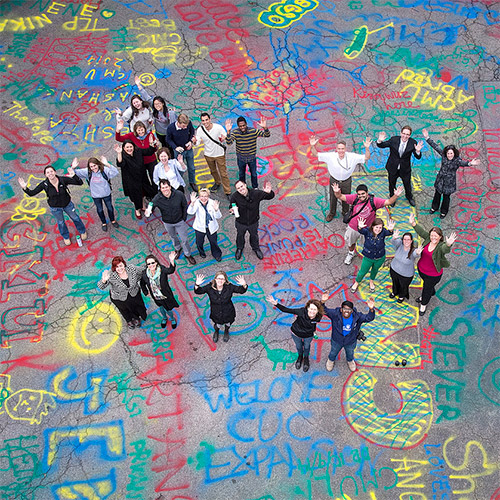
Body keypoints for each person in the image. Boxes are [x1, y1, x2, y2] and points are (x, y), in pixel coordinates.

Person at [333, 182, 403, 265]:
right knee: (351, 243)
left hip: (367, 229)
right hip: (353, 227)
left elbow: (388, 202)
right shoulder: (354, 198)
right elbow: (340, 196)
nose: (361, 196)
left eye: (363, 194)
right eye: (359, 194)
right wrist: (337, 191)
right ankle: (350, 253)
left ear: (367, 193)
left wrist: (396, 195)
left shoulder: (374, 201)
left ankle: (367, 257)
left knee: (368, 245)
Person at [18, 165, 87, 246]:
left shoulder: (62, 180)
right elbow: (32, 193)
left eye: (51, 171)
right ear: (45, 175)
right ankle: (66, 237)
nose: (50, 173)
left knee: (75, 218)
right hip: (55, 208)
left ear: (55, 172)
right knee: (61, 222)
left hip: (67, 204)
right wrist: (25, 188)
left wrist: (74, 176)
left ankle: (82, 231)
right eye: (48, 172)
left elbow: (80, 183)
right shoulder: (44, 184)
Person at [310, 135, 371, 221]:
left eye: (342, 149)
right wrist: (312, 145)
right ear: (336, 149)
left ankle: (345, 212)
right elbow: (316, 154)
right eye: (339, 149)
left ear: (345, 149)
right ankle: (332, 213)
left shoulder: (352, 157)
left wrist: (367, 148)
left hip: (346, 180)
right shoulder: (331, 156)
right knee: (333, 197)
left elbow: (366, 157)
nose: (341, 151)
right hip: (334, 180)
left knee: (346, 198)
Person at [422, 128, 481, 218]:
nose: (450, 155)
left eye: (451, 153)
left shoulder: (457, 160)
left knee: (446, 198)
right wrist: (427, 138)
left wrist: (470, 163)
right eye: (448, 153)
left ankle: (443, 211)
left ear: (454, 153)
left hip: (449, 183)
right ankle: (434, 207)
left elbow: (464, 163)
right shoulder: (444, 155)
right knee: (437, 194)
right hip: (440, 180)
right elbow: (435, 146)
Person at [409, 213, 457, 315]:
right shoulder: (427, 239)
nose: (433, 238)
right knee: (428, 286)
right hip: (422, 270)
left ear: (440, 237)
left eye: (436, 236)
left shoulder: (441, 246)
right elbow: (421, 231)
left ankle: (423, 304)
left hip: (433, 275)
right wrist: (413, 224)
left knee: (426, 290)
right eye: (431, 235)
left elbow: (445, 249)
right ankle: (432, 290)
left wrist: (448, 244)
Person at [145, 179, 196, 265]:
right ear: (160, 189)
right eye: (163, 188)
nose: (165, 189)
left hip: (179, 221)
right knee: (173, 237)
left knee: (184, 239)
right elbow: (151, 207)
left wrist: (183, 218)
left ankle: (188, 254)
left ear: (170, 186)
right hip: (167, 222)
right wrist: (148, 211)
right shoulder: (157, 198)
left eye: (166, 187)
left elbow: (184, 206)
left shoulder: (179, 195)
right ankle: (178, 249)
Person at [266, 296, 324, 372]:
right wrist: (276, 304)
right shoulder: (301, 312)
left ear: (317, 311)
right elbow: (286, 310)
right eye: (311, 308)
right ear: (307, 308)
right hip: (296, 333)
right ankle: (300, 357)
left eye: (314, 309)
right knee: (299, 346)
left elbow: (314, 322)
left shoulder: (318, 317)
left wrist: (323, 301)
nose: (312, 311)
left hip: (308, 335)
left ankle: (306, 358)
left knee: (307, 347)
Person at [321, 295, 375, 373]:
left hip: (350, 341)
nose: (346, 311)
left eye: (349, 309)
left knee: (350, 353)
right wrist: (322, 301)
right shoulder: (335, 314)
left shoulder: (357, 317)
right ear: (341, 309)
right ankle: (331, 360)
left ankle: (350, 361)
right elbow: (324, 310)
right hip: (337, 340)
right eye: (344, 309)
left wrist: (371, 309)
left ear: (352, 311)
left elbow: (369, 318)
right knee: (333, 352)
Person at [194, 272, 248, 343]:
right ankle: (216, 332)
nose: (220, 280)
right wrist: (197, 284)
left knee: (228, 323)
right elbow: (198, 291)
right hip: (216, 312)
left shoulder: (229, 287)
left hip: (228, 311)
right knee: (217, 325)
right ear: (215, 279)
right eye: (219, 278)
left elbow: (241, 290)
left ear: (225, 280)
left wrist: (244, 284)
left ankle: (226, 331)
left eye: (222, 279)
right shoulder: (209, 287)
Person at [376, 126, 423, 206]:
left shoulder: (412, 143)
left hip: (405, 169)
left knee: (407, 184)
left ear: (410, 135)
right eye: (404, 133)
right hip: (393, 167)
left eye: (407, 134)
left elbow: (417, 157)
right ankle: (392, 198)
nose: (405, 136)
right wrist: (379, 141)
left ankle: (409, 197)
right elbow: (382, 145)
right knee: (392, 184)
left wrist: (418, 151)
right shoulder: (394, 139)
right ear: (401, 133)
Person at [229, 180, 275, 260]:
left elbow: (270, 197)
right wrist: (231, 211)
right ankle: (239, 248)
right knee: (240, 236)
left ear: (245, 185)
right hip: (241, 222)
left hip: (253, 221)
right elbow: (231, 207)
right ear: (237, 190)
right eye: (238, 188)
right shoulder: (234, 196)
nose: (241, 189)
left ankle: (256, 248)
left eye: (242, 186)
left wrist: (269, 192)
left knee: (254, 236)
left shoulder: (255, 193)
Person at [98, 256, 147, 329]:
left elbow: (143, 270)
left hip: (134, 293)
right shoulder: (111, 274)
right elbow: (101, 286)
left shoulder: (132, 269)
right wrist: (104, 280)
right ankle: (129, 320)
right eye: (117, 267)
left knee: (135, 307)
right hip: (119, 297)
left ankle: (136, 318)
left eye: (121, 266)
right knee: (124, 310)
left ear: (124, 264)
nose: (119, 268)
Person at [73, 156, 119, 232]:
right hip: (96, 196)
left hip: (106, 194)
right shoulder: (87, 172)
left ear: (98, 164)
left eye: (94, 165)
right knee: (100, 210)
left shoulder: (104, 170)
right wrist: (73, 167)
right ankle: (104, 223)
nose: (93, 168)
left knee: (110, 208)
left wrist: (107, 164)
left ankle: (113, 220)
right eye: (91, 166)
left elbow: (115, 172)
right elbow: (75, 173)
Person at [351, 217, 395, 293]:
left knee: (375, 270)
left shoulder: (383, 232)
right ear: (372, 226)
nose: (378, 229)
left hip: (380, 257)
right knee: (363, 271)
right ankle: (357, 282)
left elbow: (389, 233)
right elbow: (361, 231)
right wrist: (360, 227)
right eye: (376, 227)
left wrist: (391, 229)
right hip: (368, 257)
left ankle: (371, 281)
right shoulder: (368, 231)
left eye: (380, 228)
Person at [115, 140, 156, 220]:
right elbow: (120, 163)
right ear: (123, 148)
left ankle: (143, 206)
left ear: (134, 147)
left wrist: (151, 144)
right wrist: (119, 153)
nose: (129, 149)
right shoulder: (123, 155)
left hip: (141, 177)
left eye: (131, 147)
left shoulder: (138, 151)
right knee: (135, 195)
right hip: (131, 180)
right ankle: (137, 209)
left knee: (143, 192)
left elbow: (149, 151)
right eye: (127, 147)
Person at [225, 116, 270, 189]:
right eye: (240, 126)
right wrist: (228, 132)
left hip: (251, 158)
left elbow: (267, 135)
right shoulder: (235, 132)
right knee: (241, 174)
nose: (242, 127)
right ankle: (243, 188)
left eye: (243, 125)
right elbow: (229, 142)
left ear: (246, 124)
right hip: (241, 158)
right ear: (238, 126)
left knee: (254, 174)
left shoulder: (253, 131)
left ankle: (255, 188)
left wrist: (265, 127)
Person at [134, 76, 177, 148]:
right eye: (155, 104)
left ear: (163, 103)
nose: (157, 106)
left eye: (159, 104)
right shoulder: (154, 109)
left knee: (170, 147)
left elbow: (174, 125)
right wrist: (139, 85)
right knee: (163, 146)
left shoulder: (168, 113)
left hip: (168, 134)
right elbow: (147, 97)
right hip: (159, 133)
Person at [195, 113, 231, 197]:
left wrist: (224, 138)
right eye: (203, 120)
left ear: (210, 119)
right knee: (213, 171)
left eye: (206, 120)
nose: (205, 122)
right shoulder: (200, 130)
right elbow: (197, 143)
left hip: (219, 154)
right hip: (208, 154)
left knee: (223, 173)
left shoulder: (218, 127)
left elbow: (225, 137)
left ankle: (228, 191)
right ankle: (217, 182)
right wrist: (194, 141)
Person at [140, 252, 179, 329]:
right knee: (161, 307)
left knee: (168, 308)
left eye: (152, 263)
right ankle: (164, 318)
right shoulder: (145, 274)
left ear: (156, 262)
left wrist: (171, 261)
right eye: (149, 264)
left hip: (165, 295)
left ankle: (172, 318)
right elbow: (142, 283)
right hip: (155, 295)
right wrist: (145, 292)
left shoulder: (162, 270)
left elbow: (170, 270)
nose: (151, 265)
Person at [116, 119, 159, 188]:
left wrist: (155, 144)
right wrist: (118, 130)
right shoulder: (131, 136)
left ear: (145, 129)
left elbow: (154, 148)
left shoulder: (150, 134)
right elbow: (119, 138)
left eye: (142, 130)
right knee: (144, 179)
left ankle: (156, 191)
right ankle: (149, 193)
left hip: (151, 160)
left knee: (154, 176)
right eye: (139, 130)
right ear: (135, 130)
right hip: (140, 161)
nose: (141, 132)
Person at [187, 188, 223, 261]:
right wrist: (192, 203)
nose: (203, 198)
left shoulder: (212, 203)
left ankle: (217, 254)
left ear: (208, 196)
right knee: (199, 242)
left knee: (213, 242)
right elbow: (190, 212)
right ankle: (201, 252)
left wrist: (216, 210)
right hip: (200, 227)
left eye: (205, 196)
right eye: (201, 196)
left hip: (211, 227)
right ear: (199, 197)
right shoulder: (196, 202)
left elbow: (218, 216)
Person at [166, 113, 197, 192]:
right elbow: (168, 139)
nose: (185, 127)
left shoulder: (188, 123)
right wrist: (175, 147)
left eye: (186, 125)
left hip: (188, 148)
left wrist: (190, 141)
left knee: (192, 167)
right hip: (179, 151)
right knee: (180, 169)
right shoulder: (171, 128)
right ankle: (179, 183)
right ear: (178, 123)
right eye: (183, 126)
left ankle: (192, 182)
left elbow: (192, 131)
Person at [389, 230, 422, 303]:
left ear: (411, 241)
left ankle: (401, 296)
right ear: (402, 240)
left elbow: (416, 254)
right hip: (394, 269)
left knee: (403, 287)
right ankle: (394, 292)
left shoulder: (413, 250)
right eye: (405, 239)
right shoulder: (400, 245)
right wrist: (394, 238)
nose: (406, 241)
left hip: (406, 275)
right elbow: (393, 242)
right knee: (395, 283)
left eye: (408, 239)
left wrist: (418, 253)